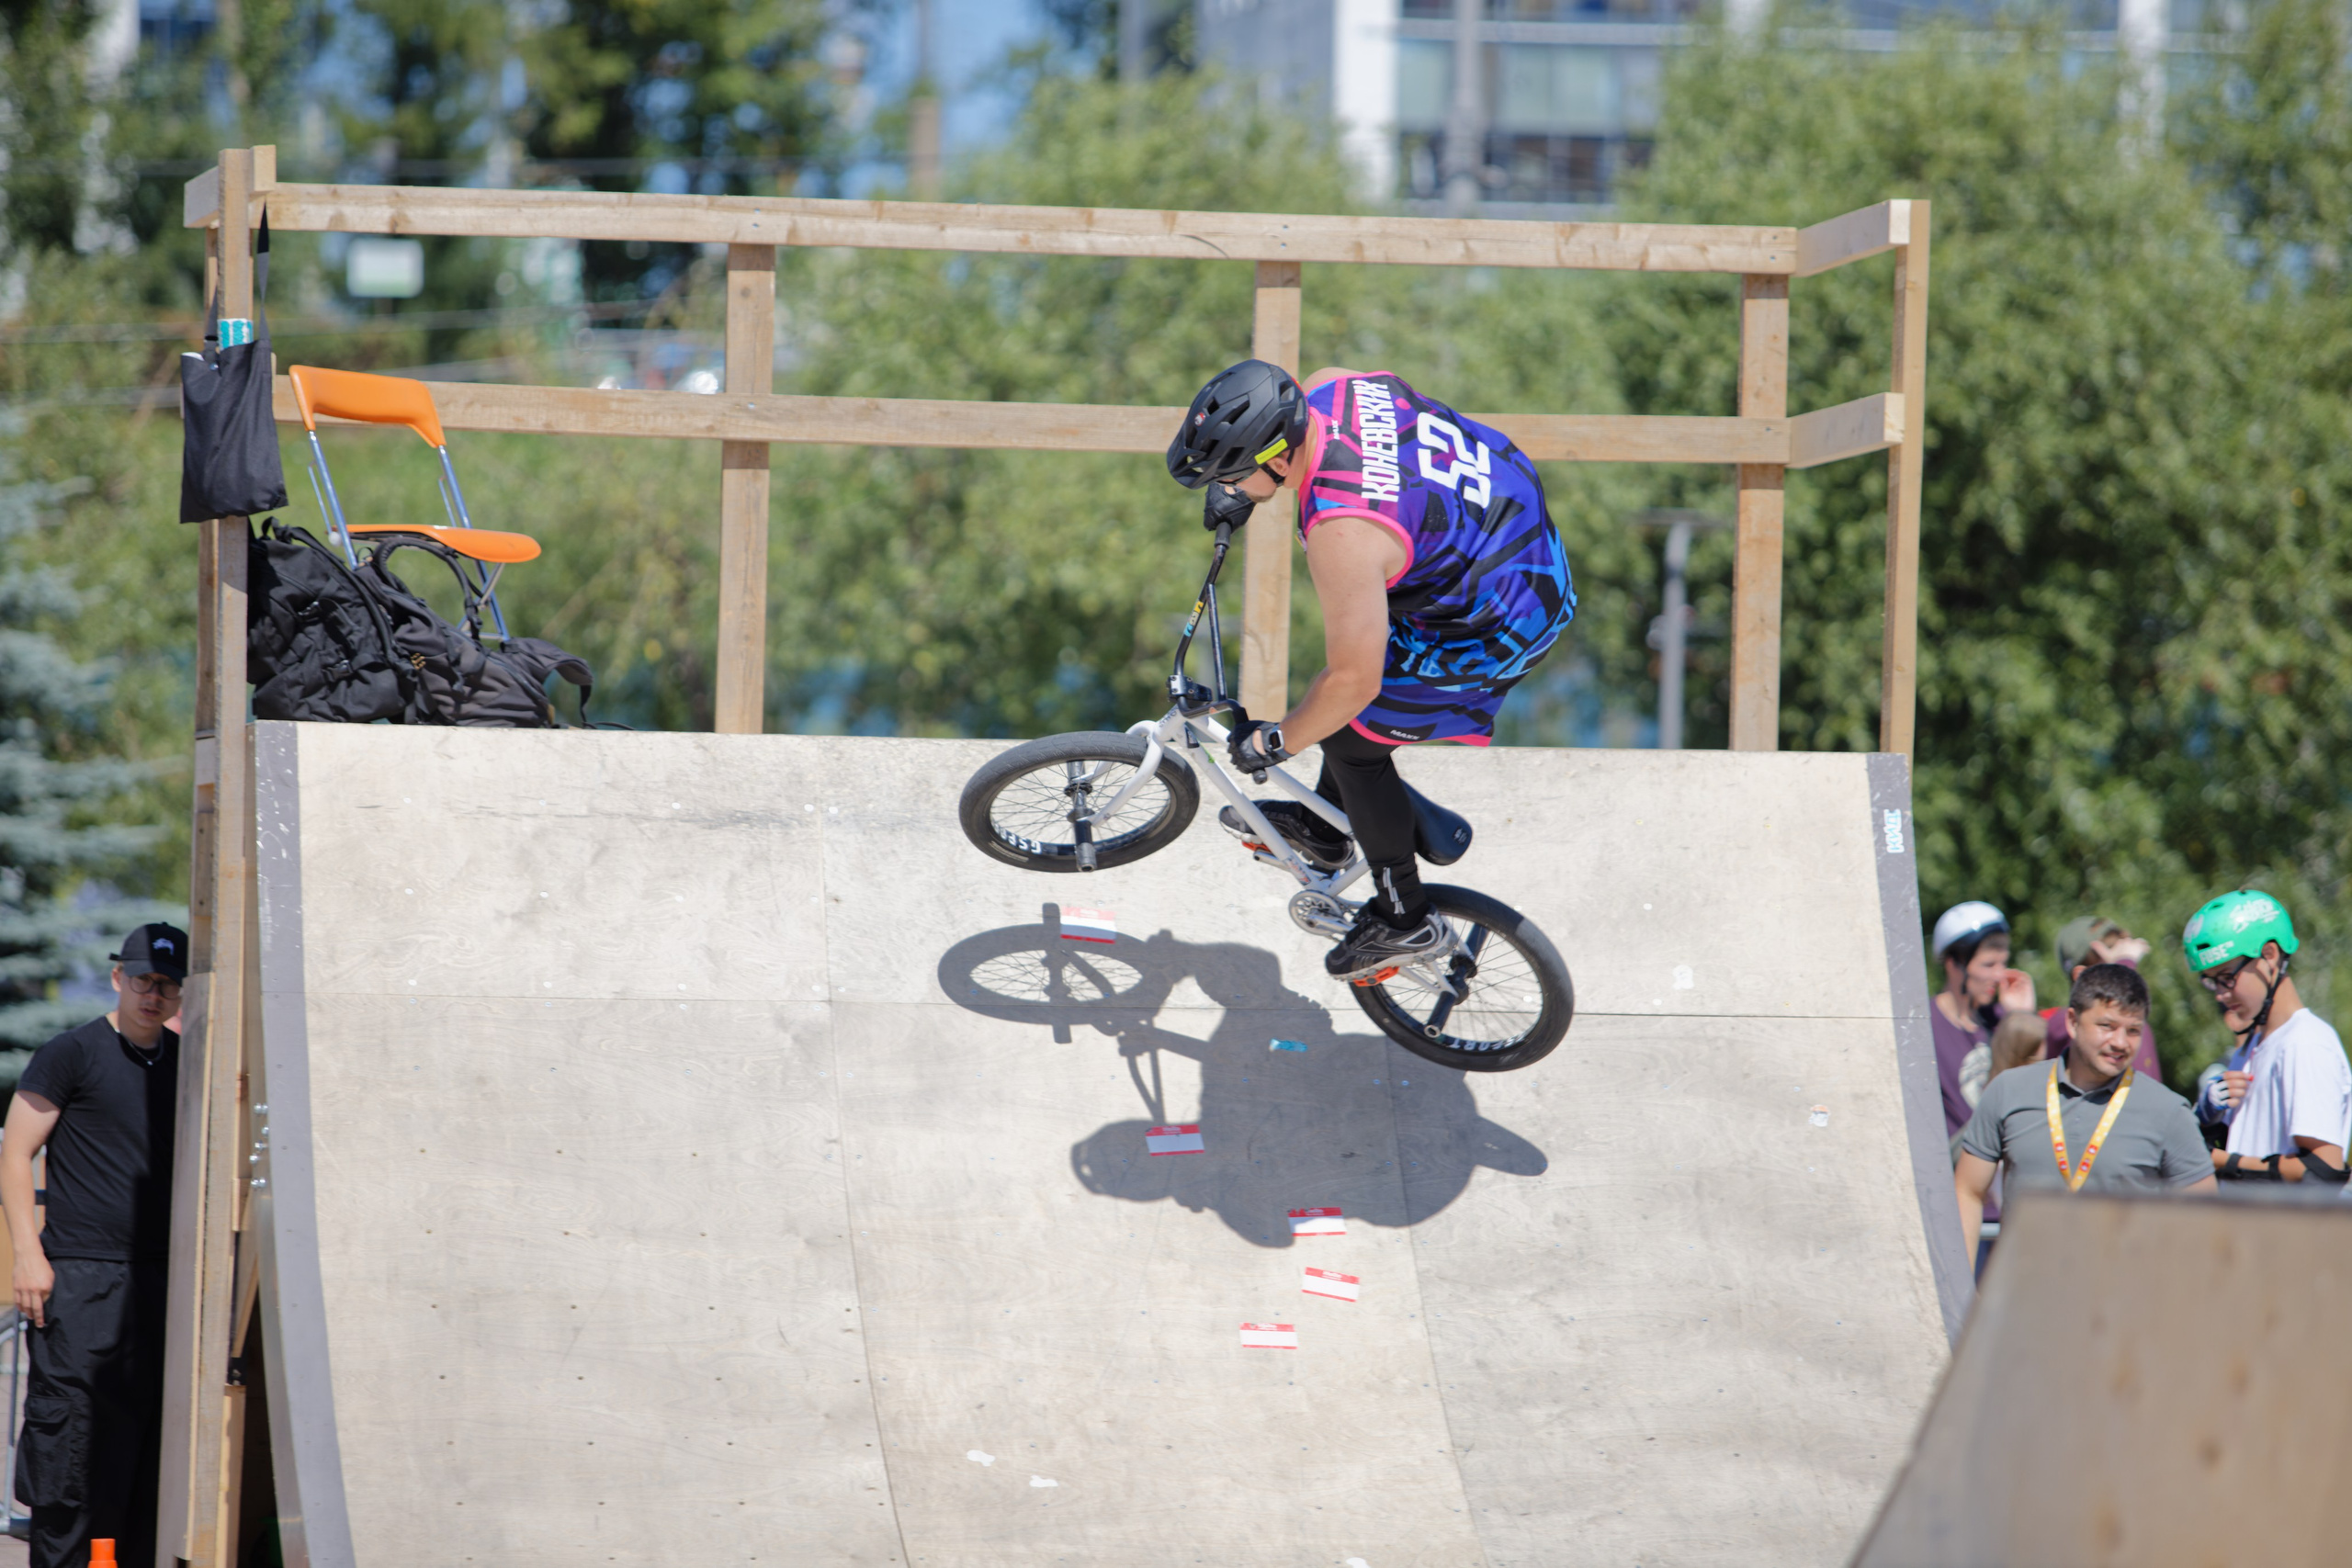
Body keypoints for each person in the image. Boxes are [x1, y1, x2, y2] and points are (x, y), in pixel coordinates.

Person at [1165, 360, 1575, 979]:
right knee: (1340, 701)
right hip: (1505, 531)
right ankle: (1323, 830)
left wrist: (1275, 743)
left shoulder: (1342, 531)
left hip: (1502, 618)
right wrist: (1243, 487)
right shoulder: (1332, 386)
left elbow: (1356, 682)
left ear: (1277, 460)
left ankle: (1405, 918)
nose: (1225, 484)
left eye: (1231, 473)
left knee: (1350, 734)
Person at [3, 923, 185, 1568]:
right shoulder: (71, 1053)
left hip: (164, 1281)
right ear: (117, 977)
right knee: (71, 1455)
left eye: (165, 983)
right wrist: (29, 1254)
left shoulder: (189, 1067)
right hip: (79, 1279)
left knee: (145, 1460)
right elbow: (16, 1151)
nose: (151, 994)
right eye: (141, 979)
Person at [1953, 963, 2216, 1268]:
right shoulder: (2008, 1091)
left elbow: (2205, 1219)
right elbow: (1968, 1192)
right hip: (2021, 1304)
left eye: (2133, 1030)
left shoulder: (2168, 1111)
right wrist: (1961, 1294)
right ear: (2072, 1021)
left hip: (2122, 1309)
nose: (2120, 1042)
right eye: (2107, 1026)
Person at [2181, 890, 2351, 1185]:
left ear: (2269, 955)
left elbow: (2323, 1171)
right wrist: (2205, 1118)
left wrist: (2223, 1161)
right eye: (2212, 982)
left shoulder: (2306, 1043)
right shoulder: (2252, 1046)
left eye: (2226, 977)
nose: (2221, 994)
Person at [1928, 901, 2036, 1137]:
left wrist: (2021, 1018)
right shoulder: (1925, 1024)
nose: (1999, 975)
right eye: (1988, 964)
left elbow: (2032, 1088)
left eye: (2003, 963)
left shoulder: (1999, 1020)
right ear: (1953, 963)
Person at [2041, 915, 2161, 1078]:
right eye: (2111, 974)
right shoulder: (2063, 1024)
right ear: (2081, 975)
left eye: (2132, 1030)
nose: (2121, 1041)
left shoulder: (2135, 1022)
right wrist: (2125, 963)